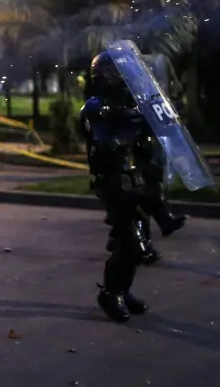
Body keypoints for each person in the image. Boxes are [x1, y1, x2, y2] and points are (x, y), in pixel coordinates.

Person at [80, 51, 164, 323]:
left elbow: (142, 146)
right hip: (112, 182)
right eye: (117, 73)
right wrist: (131, 128)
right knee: (132, 242)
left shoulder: (127, 106)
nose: (124, 79)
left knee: (137, 240)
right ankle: (111, 294)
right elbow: (106, 145)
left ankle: (122, 290)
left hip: (133, 179)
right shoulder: (95, 107)